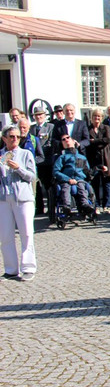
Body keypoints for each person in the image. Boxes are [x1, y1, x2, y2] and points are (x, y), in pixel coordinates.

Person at [0, 124, 37, 281]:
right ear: (4, 139)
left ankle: (28, 267)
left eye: (18, 137)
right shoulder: (1, 155)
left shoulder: (25, 154)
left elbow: (32, 176)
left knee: (26, 233)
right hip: (3, 198)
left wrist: (18, 168)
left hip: (23, 198)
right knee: (6, 235)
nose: (15, 139)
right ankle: (10, 269)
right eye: (12, 137)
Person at [52, 134, 96, 218]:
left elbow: (88, 172)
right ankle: (67, 207)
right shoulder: (62, 157)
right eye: (63, 139)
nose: (66, 140)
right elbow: (56, 171)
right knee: (65, 188)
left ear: (73, 141)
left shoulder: (82, 157)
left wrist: (97, 168)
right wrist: (68, 179)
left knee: (82, 188)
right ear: (62, 144)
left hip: (80, 179)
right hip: (66, 180)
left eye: (68, 138)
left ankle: (85, 206)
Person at [86, 108, 110, 214]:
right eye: (95, 116)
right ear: (92, 117)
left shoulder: (106, 127)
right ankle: (96, 205)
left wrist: (94, 141)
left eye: (99, 116)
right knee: (95, 182)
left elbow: (107, 140)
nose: (97, 118)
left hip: (106, 157)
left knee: (106, 183)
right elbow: (88, 142)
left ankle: (106, 205)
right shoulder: (88, 128)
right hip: (93, 158)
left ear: (101, 118)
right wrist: (99, 142)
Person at [29, 107, 54, 216]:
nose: (38, 117)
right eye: (36, 115)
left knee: (48, 186)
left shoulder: (50, 127)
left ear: (44, 116)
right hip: (35, 161)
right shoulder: (31, 128)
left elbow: (51, 143)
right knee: (37, 186)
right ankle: (39, 208)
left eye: (40, 115)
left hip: (47, 161)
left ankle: (50, 208)